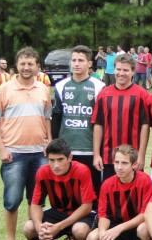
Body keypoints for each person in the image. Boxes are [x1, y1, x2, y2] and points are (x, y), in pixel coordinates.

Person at [0, 47, 52, 240]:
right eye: (23, 63)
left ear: (38, 67)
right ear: (17, 65)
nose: (26, 67)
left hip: (40, 153)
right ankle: (10, 237)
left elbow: (47, 118)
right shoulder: (4, 90)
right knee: (12, 201)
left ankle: (34, 235)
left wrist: (49, 141)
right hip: (14, 154)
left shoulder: (43, 89)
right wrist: (2, 148)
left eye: (31, 64)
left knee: (36, 201)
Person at [51, 45, 106, 196]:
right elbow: (56, 118)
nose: (76, 63)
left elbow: (101, 123)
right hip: (66, 150)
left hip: (89, 150)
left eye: (81, 60)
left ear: (89, 63)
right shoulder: (60, 86)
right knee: (68, 193)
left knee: (91, 192)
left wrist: (98, 152)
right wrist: (55, 146)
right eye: (73, 60)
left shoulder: (100, 87)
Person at [92, 53, 150, 181]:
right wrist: (96, 154)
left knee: (134, 197)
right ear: (114, 70)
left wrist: (141, 155)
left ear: (133, 71)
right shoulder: (104, 94)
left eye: (125, 70)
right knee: (110, 195)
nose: (121, 73)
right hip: (108, 157)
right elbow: (98, 124)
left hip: (132, 158)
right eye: (118, 69)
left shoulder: (141, 94)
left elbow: (145, 126)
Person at [23, 139, 96, 240]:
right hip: (57, 212)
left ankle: (72, 237)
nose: (56, 165)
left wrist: (59, 227)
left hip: (81, 214)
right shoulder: (42, 172)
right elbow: (36, 204)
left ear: (70, 157)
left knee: (80, 230)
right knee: (29, 227)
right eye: (51, 160)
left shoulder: (82, 171)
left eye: (60, 159)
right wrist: (39, 227)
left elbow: (87, 207)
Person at [88, 145, 152, 240]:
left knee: (143, 229)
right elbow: (103, 215)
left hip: (136, 225)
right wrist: (102, 233)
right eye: (116, 162)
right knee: (92, 236)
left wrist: (119, 228)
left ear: (134, 165)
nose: (119, 167)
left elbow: (145, 214)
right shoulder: (107, 184)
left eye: (124, 163)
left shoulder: (144, 180)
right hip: (115, 224)